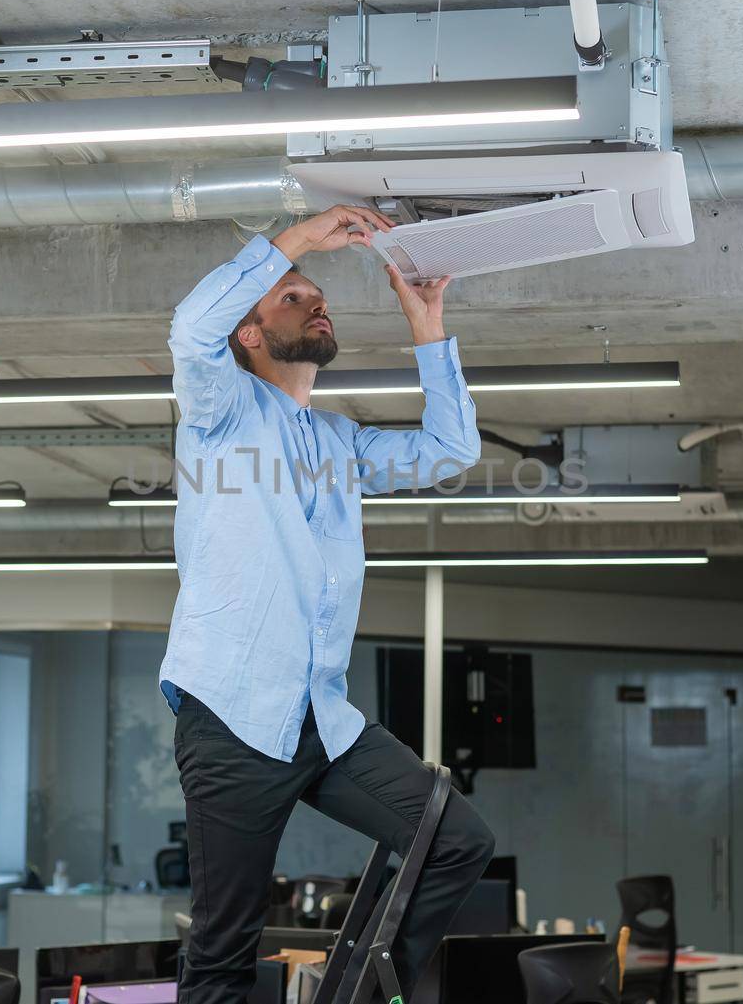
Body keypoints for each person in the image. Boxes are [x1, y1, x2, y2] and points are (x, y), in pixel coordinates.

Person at [158, 206, 496, 1003]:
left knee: (453, 838)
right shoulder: (219, 413)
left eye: (317, 295)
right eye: (291, 297)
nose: (316, 302)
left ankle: (357, 997)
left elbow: (451, 448)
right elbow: (187, 329)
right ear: (249, 334)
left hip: (323, 718)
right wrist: (297, 239)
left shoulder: (339, 441)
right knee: (222, 953)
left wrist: (428, 322)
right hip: (234, 718)